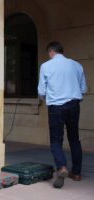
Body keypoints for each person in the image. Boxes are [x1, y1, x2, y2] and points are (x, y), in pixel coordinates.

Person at [38, 41, 87, 188]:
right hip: (73, 105)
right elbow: (83, 89)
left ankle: (62, 167)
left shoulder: (46, 66)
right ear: (61, 51)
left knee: (56, 140)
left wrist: (49, 98)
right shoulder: (77, 65)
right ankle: (76, 173)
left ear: (51, 52)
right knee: (74, 139)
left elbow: (41, 91)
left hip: (56, 107)